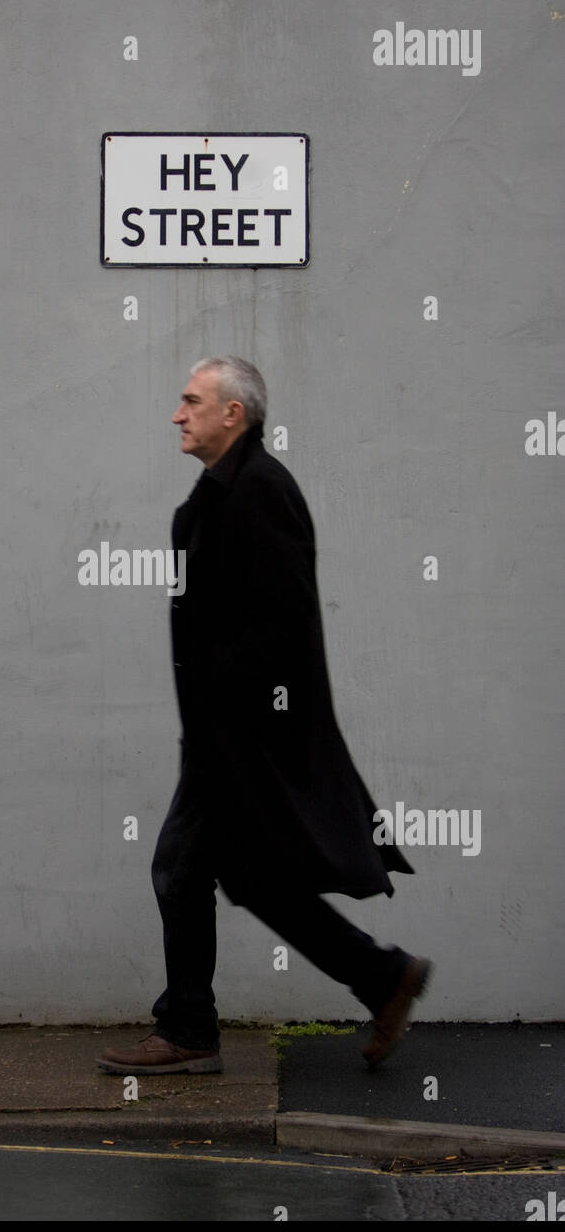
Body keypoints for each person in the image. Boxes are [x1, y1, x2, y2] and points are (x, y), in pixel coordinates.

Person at [97, 356, 431, 1077]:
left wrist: (234, 713)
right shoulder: (218, 495)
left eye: (192, 401)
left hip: (244, 737)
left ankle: (187, 1031)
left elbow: (282, 623)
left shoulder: (261, 491)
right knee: (251, 879)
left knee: (179, 868)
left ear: (232, 414)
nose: (177, 414)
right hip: (225, 736)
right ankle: (382, 977)